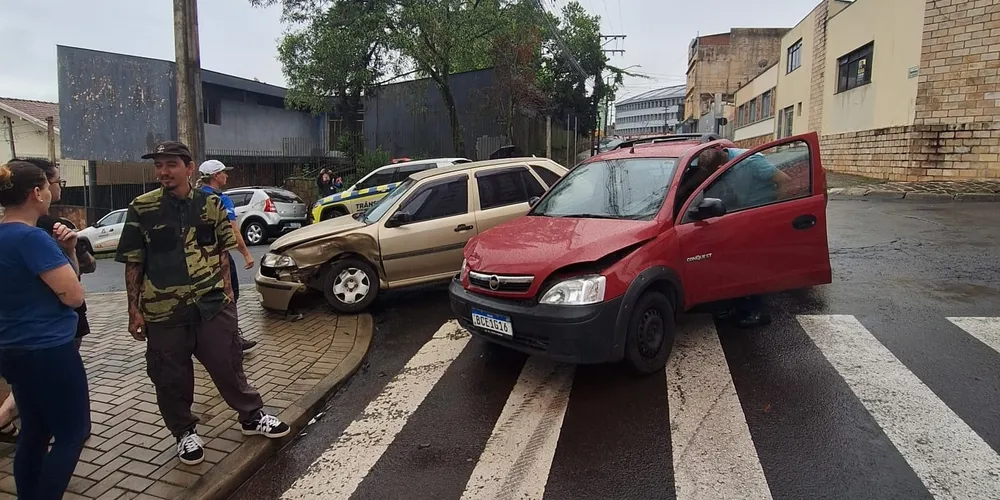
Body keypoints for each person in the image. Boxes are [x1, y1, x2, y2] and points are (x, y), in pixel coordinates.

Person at [115, 141, 289, 467]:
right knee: (171, 376)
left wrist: (229, 297)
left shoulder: (211, 203)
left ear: (189, 167)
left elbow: (223, 250)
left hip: (212, 305)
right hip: (164, 311)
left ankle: (252, 417)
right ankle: (184, 432)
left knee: (228, 363)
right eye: (159, 165)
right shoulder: (143, 208)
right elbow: (134, 262)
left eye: (170, 164)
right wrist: (133, 310)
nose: (163, 172)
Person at [0, 160, 91, 499]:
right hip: (49, 350)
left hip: (12, 349)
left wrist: (66, 250)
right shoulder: (31, 239)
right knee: (72, 432)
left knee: (34, 432)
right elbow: (73, 295)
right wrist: (67, 252)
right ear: (37, 193)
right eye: (48, 186)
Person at [197, 159, 258, 353]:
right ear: (215, 176)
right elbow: (234, 232)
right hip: (219, 254)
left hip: (197, 257)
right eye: (224, 172)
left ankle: (205, 339)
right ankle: (232, 340)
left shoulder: (194, 196)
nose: (227, 176)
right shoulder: (221, 199)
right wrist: (246, 254)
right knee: (231, 296)